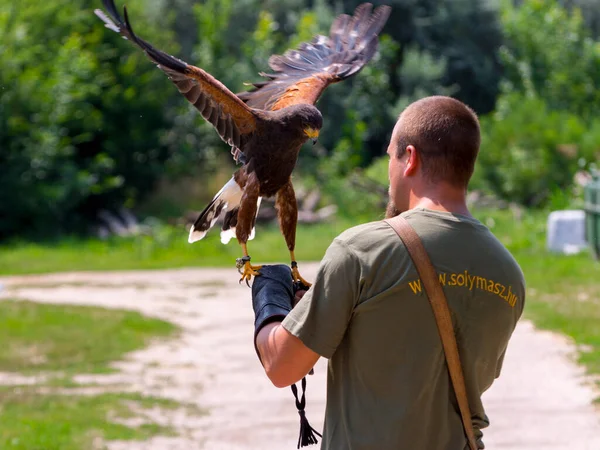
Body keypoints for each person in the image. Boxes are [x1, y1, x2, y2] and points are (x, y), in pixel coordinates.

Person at [250, 95, 526, 450]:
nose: (389, 170)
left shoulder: (361, 251)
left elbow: (282, 366)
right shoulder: (507, 272)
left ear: (409, 158)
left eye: (390, 156)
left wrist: (270, 301)